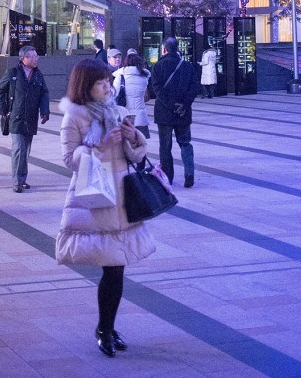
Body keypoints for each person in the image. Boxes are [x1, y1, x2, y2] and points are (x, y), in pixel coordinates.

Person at [56, 58, 155, 357]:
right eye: (101, 83)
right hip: (96, 199)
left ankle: (108, 328)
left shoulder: (118, 111)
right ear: (86, 86)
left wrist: (131, 136)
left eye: (108, 82)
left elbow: (136, 156)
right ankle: (104, 328)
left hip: (122, 197)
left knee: (117, 269)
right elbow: (69, 160)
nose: (108, 87)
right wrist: (98, 145)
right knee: (112, 269)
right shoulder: (73, 117)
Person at [0, 45, 49, 193]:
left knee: (26, 150)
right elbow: (0, 90)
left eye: (36, 56)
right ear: (23, 58)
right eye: (32, 56)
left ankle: (22, 179)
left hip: (30, 118)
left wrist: (45, 111)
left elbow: (44, 93)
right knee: (18, 148)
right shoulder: (12, 73)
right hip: (16, 117)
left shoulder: (38, 75)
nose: (35, 59)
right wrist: (3, 108)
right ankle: (16, 181)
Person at [151, 36, 199, 188]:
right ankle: (189, 173)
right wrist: (184, 105)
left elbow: (157, 89)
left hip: (164, 113)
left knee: (165, 146)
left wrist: (172, 105)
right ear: (178, 48)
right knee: (185, 143)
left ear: (164, 49)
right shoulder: (188, 66)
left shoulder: (158, 66)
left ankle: (168, 177)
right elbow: (194, 88)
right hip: (183, 113)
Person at [112, 52, 151, 139]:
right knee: (141, 145)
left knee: (126, 147)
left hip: (125, 117)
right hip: (141, 117)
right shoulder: (144, 78)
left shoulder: (120, 77)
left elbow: (114, 94)